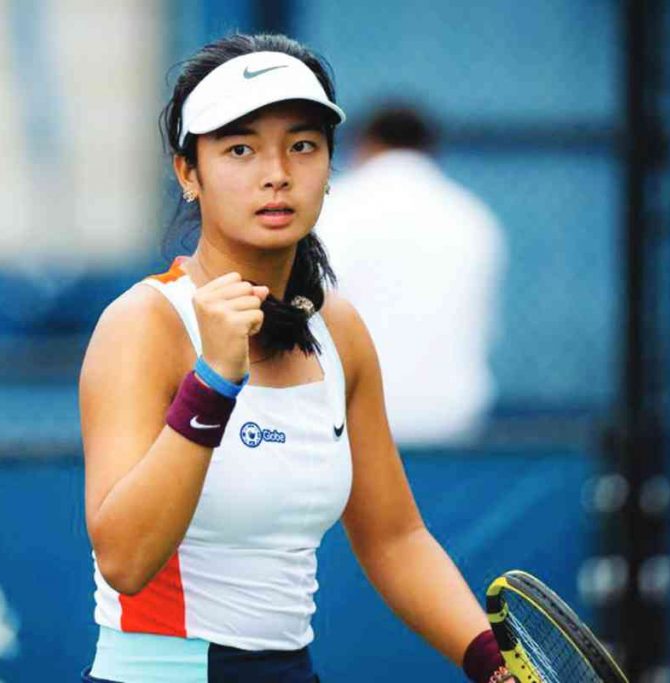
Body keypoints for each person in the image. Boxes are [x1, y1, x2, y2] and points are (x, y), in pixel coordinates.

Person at [79, 33, 514, 683]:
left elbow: (394, 536)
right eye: (240, 148)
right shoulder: (143, 323)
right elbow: (124, 556)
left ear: (331, 166)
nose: (276, 171)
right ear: (187, 172)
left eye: (302, 145)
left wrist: (489, 661)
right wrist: (214, 381)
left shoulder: (338, 328)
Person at [316, 103, 506, 444]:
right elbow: (485, 327)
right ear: (430, 149)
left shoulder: (332, 210)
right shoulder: (473, 218)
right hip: (451, 418)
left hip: (348, 418)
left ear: (365, 145)